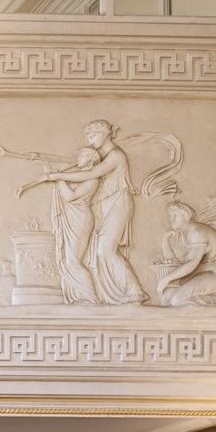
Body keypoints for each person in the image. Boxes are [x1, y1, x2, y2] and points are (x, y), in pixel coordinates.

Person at [31, 120, 146, 305]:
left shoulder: (116, 155)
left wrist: (56, 176)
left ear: (105, 133)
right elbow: (82, 168)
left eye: (92, 135)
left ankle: (136, 291)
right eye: (88, 136)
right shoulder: (99, 155)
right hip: (102, 205)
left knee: (105, 250)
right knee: (100, 252)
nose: (89, 140)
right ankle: (111, 294)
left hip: (117, 204)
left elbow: (89, 174)